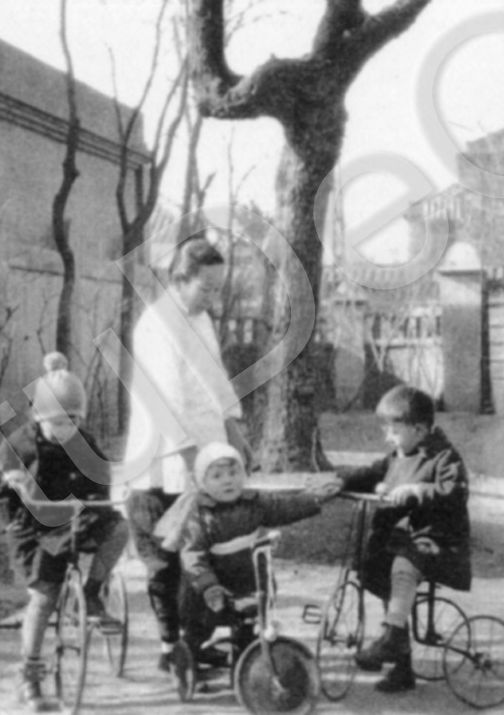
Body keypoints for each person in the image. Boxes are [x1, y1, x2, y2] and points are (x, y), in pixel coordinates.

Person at [122, 236, 251, 674]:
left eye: (217, 289)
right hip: (164, 458)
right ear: (180, 279)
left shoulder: (202, 320)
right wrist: (194, 458)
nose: (212, 297)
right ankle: (169, 646)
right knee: (166, 561)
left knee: (204, 553)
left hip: (205, 451)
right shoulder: (157, 324)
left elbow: (216, 381)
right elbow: (167, 398)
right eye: (205, 288)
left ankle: (194, 642)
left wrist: (234, 429)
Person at [0, 352, 129, 713]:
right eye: (57, 423)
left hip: (76, 520)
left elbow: (100, 482)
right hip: (33, 528)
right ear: (38, 417)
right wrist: (13, 514)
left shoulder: (86, 442)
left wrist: (98, 503)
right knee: (44, 597)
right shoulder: (20, 444)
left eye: (73, 421)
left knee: (119, 527)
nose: (66, 430)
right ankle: (29, 673)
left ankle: (92, 591)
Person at [336, 384, 472, 694]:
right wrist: (341, 482)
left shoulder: (443, 457)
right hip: (406, 541)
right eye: (386, 430)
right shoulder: (398, 456)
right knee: (379, 567)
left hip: (438, 540)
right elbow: (372, 473)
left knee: (403, 565)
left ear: (419, 429)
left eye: (394, 431)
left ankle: (393, 639)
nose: (388, 437)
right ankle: (401, 662)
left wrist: (420, 490)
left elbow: (456, 491)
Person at [164, 442, 338, 671]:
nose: (228, 480)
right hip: (211, 584)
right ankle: (184, 660)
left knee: (248, 624)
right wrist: (207, 585)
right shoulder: (199, 514)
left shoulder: (254, 503)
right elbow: (192, 554)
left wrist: (315, 498)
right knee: (200, 625)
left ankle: (245, 667)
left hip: (247, 578)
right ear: (201, 483)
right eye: (217, 476)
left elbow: (284, 507)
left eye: (234, 473)